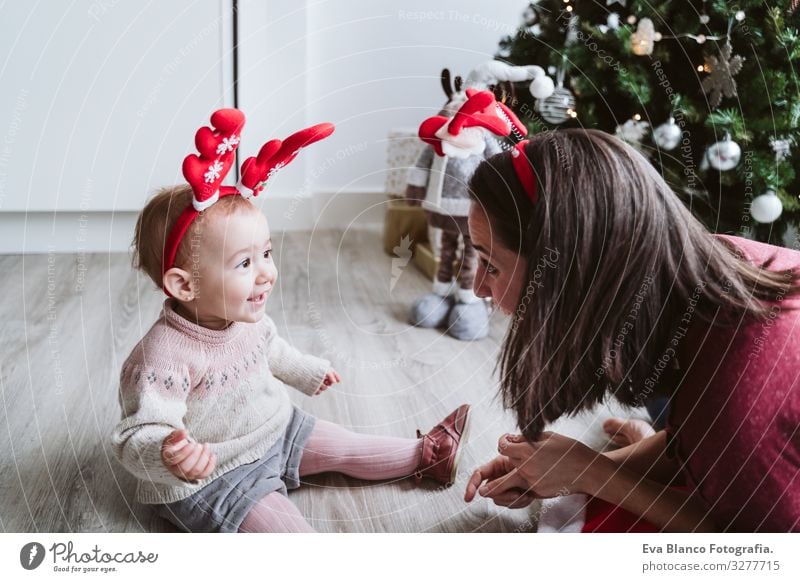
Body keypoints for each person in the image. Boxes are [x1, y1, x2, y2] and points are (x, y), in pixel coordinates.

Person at [110, 110, 470, 533]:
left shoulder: (243, 318)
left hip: (276, 429)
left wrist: (307, 371)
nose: (265, 272)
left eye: (266, 253)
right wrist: (169, 451)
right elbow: (135, 435)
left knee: (344, 445)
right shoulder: (162, 358)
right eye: (244, 262)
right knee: (289, 534)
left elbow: (271, 350)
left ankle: (425, 456)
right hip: (216, 477)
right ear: (184, 285)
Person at [462, 129, 800, 532]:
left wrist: (592, 473)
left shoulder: (740, 393)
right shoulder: (708, 262)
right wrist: (564, 470)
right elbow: (694, 434)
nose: (478, 287)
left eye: (492, 265)